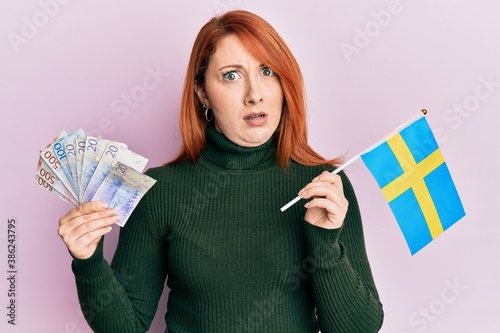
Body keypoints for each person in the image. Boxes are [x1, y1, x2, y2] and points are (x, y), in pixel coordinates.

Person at [58, 10, 384, 333]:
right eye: (232, 75)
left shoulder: (324, 188)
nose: (254, 94)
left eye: (267, 71)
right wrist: (88, 262)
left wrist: (324, 242)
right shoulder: (157, 192)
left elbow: (359, 329)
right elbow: (126, 326)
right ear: (202, 92)